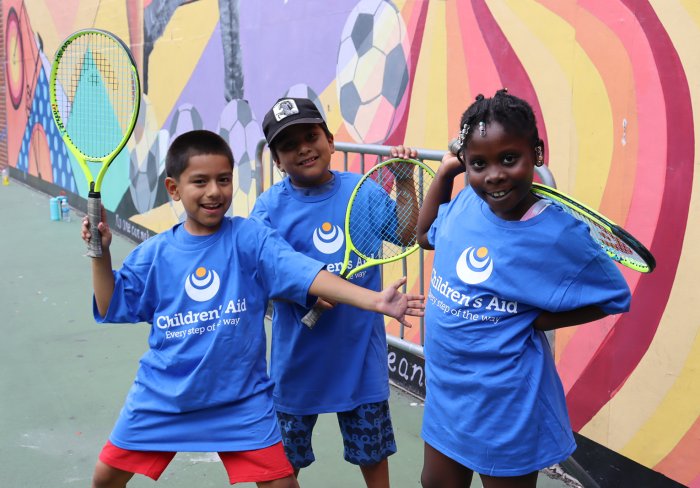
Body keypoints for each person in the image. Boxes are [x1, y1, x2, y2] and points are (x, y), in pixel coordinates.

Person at [81, 129, 424, 488]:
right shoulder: (155, 254)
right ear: (173, 188)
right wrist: (100, 254)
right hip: (164, 395)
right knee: (105, 477)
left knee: (282, 483)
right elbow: (110, 302)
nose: (214, 191)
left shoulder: (250, 239)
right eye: (200, 181)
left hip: (240, 398)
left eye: (223, 180)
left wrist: (374, 300)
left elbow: (306, 274)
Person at [415, 89, 632, 488]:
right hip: (448, 392)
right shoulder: (466, 202)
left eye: (508, 159)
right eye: (478, 163)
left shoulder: (556, 231)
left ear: (537, 153)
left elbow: (614, 297)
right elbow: (426, 235)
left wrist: (534, 319)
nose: (494, 174)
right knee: (436, 483)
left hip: (505, 404)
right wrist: (446, 173)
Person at [250, 97, 418, 488]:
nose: (304, 148)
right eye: (289, 145)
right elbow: (264, 267)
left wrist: (406, 181)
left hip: (359, 359)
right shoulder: (269, 208)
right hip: (296, 364)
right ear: (277, 160)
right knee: (282, 464)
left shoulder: (363, 192)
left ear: (330, 140)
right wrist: (303, 292)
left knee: (373, 457)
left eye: (311, 136)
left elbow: (405, 233)